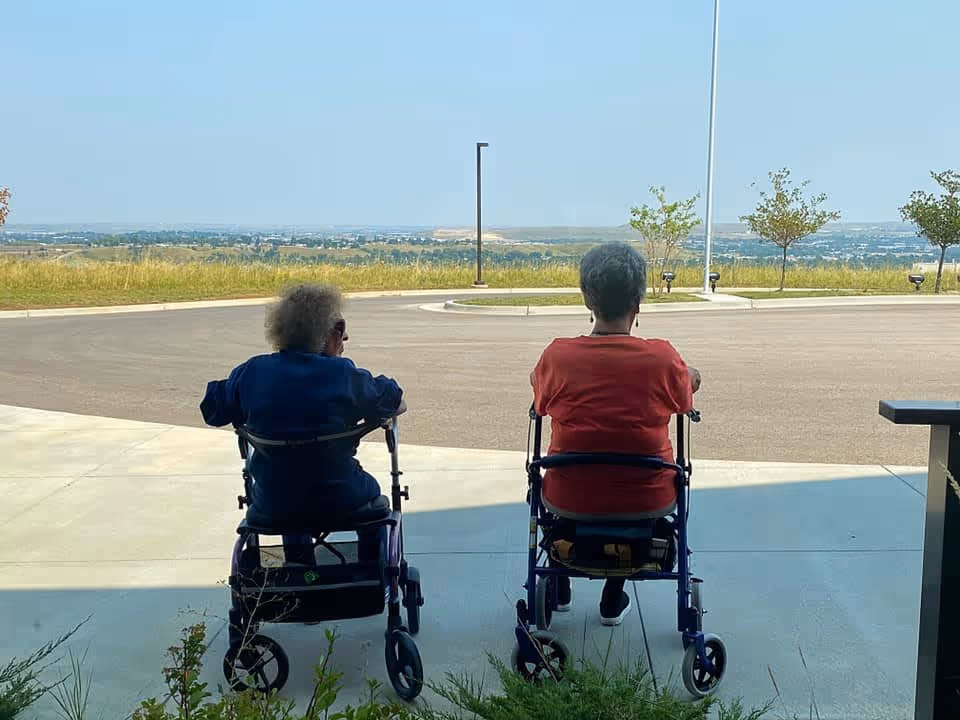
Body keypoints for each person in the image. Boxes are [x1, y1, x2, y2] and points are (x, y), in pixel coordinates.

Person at [530, 242, 701, 626]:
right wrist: (691, 378)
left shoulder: (557, 357)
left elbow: (540, 401)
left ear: (587, 300)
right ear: (637, 303)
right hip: (646, 498)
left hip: (570, 496)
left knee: (555, 496)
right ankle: (613, 596)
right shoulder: (662, 359)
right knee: (631, 497)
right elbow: (683, 397)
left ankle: (560, 578)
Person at [200, 283, 406, 564]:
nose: (345, 339)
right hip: (342, 495)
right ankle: (371, 569)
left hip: (273, 503)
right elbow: (395, 400)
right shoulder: (343, 375)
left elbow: (212, 409)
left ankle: (299, 567)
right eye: (342, 331)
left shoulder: (251, 372)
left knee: (288, 488)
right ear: (334, 330)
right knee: (375, 506)